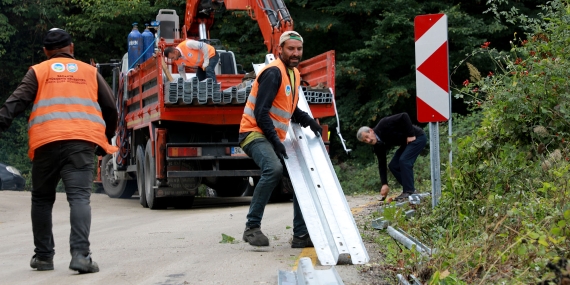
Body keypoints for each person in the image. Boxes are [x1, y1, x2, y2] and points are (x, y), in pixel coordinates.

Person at [0, 28, 118, 273]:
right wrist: (103, 140)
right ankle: (81, 256)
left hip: (46, 142)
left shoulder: (38, 71)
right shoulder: (89, 71)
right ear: (71, 48)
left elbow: (16, 102)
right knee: (79, 198)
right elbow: (111, 108)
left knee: (42, 199)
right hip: (81, 143)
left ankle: (43, 257)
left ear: (45, 52)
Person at [238, 31, 322, 247]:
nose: (295, 53)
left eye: (299, 49)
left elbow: (289, 109)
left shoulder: (293, 73)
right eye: (290, 49)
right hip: (253, 133)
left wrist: (309, 121)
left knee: (301, 178)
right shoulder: (274, 72)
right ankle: (252, 228)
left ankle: (301, 235)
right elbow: (261, 112)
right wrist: (276, 142)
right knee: (273, 169)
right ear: (280, 50)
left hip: (270, 136)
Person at [356, 112, 426, 201]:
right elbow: (382, 164)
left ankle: (409, 191)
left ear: (371, 131)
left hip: (417, 137)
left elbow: (404, 116)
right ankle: (410, 189)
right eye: (365, 140)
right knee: (393, 165)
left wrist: (411, 135)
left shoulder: (383, 124)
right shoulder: (378, 145)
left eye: (367, 136)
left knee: (404, 160)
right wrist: (384, 184)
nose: (368, 140)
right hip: (406, 144)